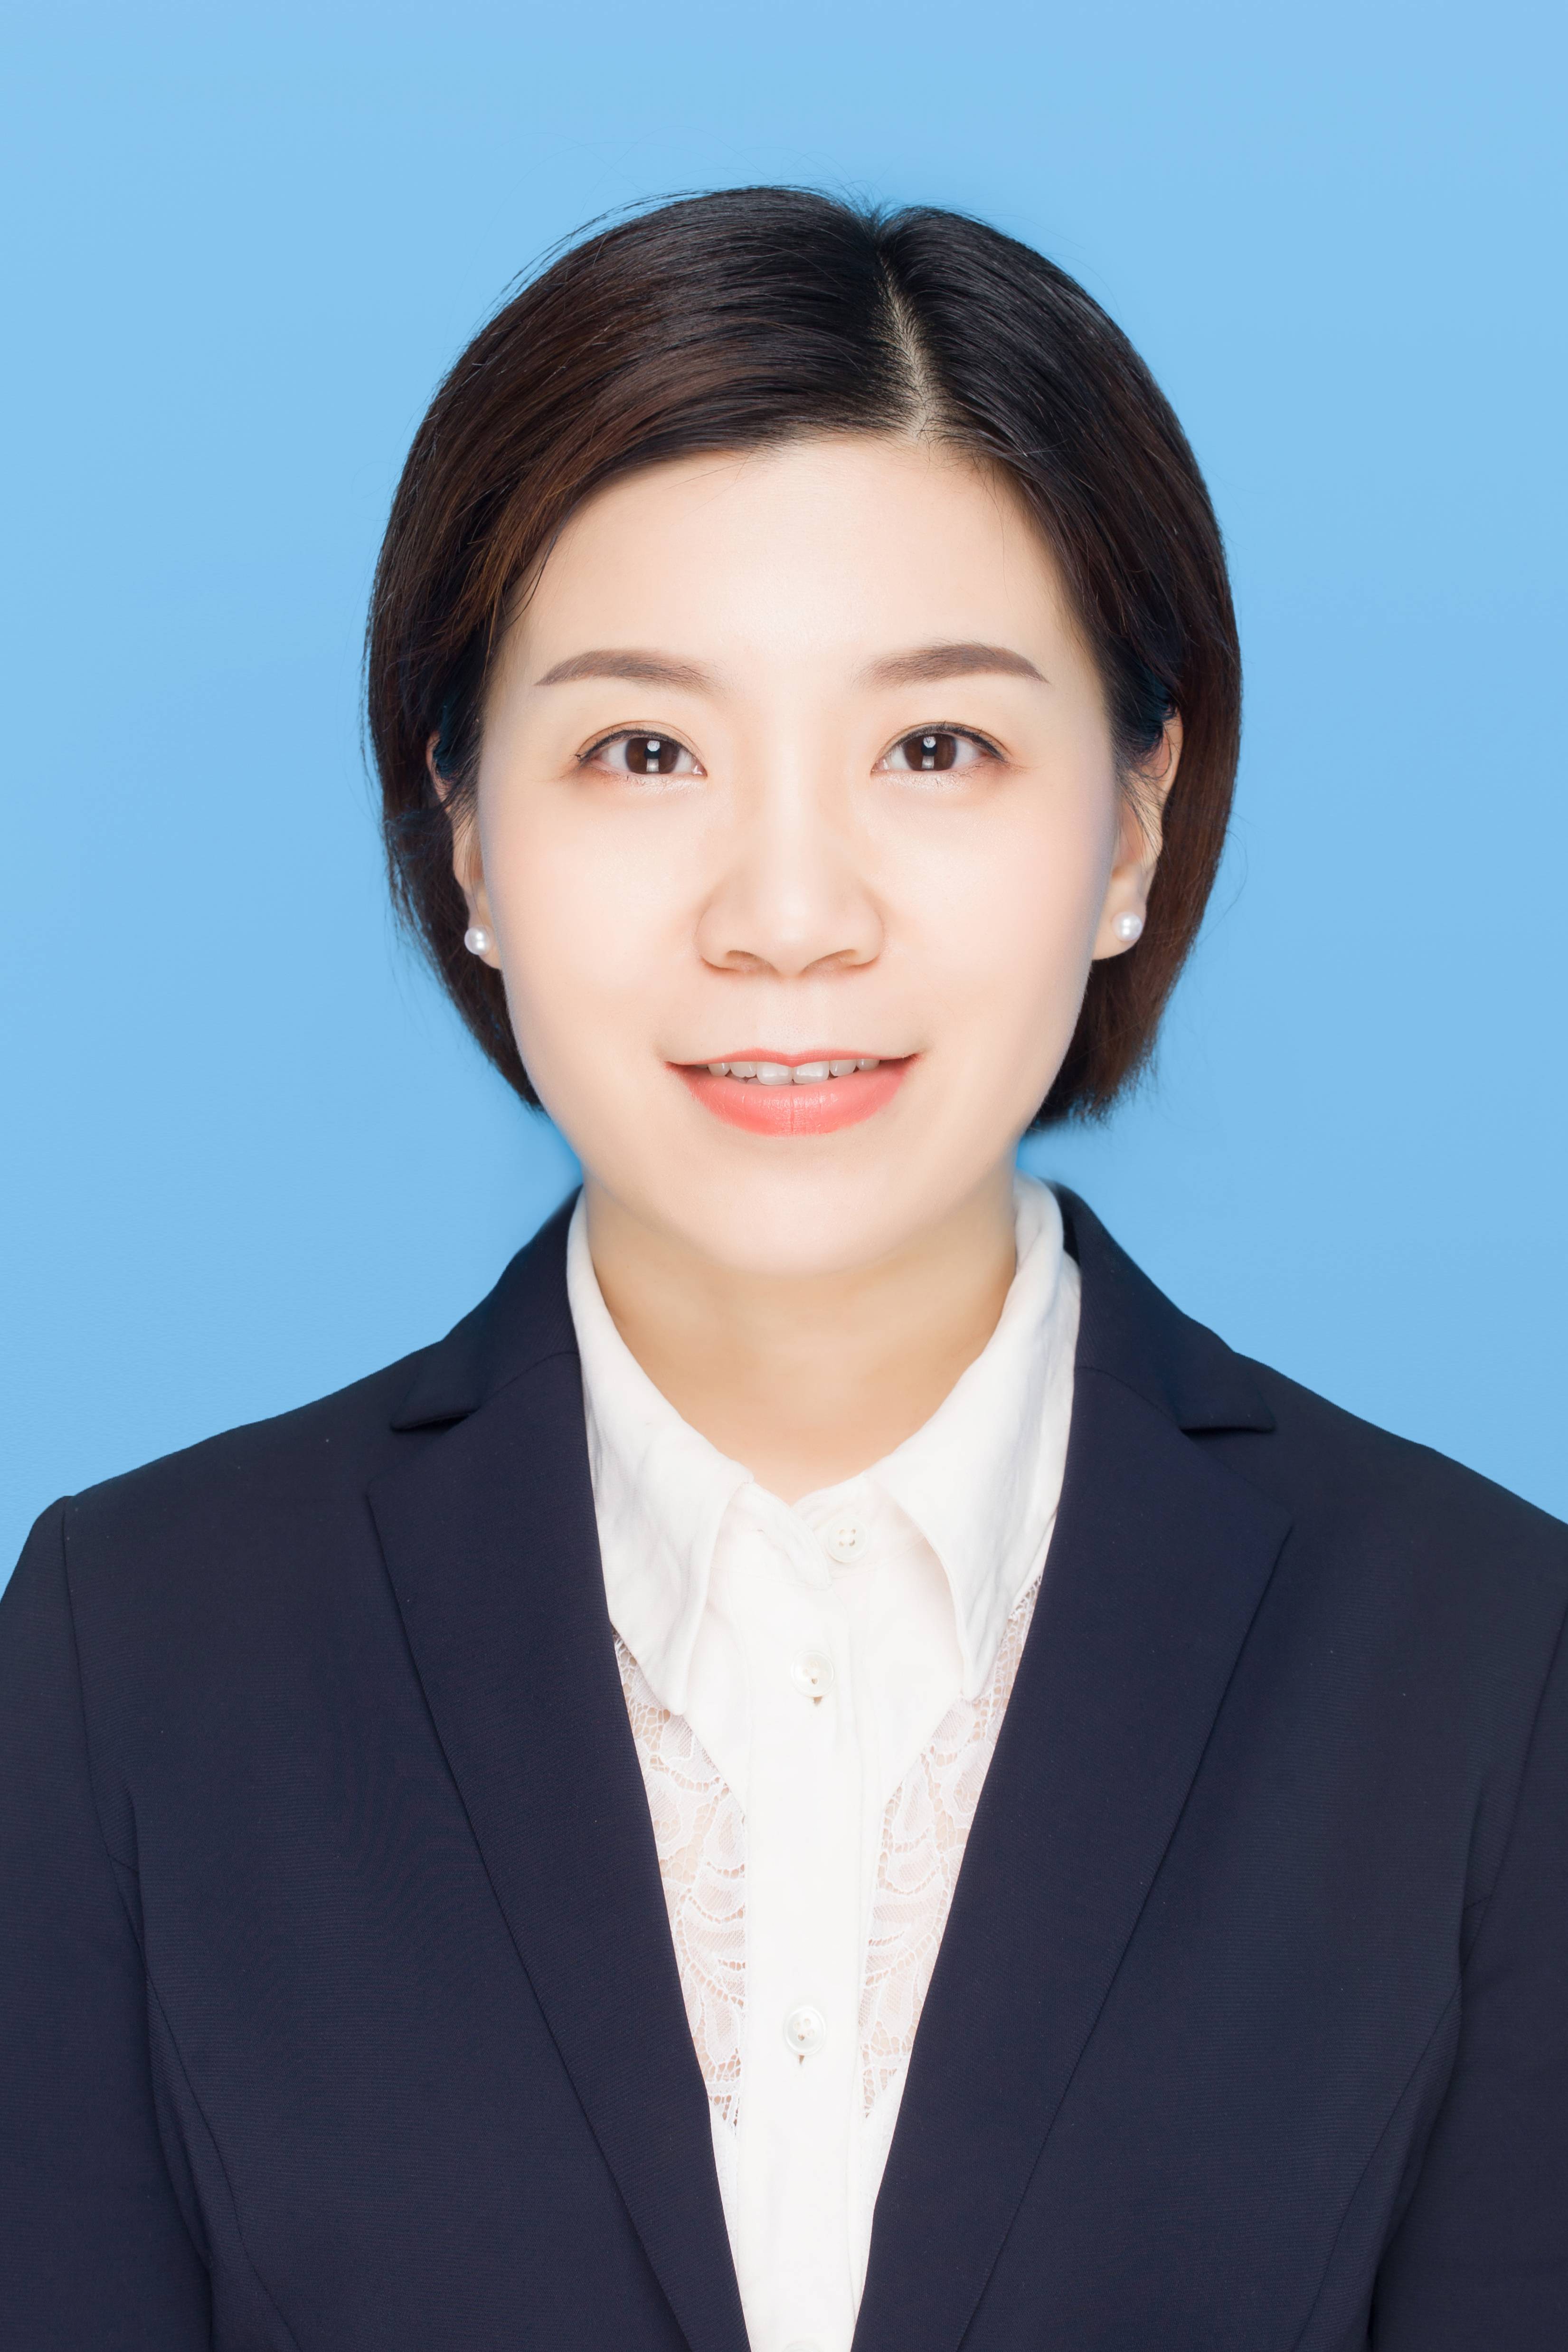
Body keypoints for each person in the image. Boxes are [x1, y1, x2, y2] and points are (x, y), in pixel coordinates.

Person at [1, 188, 1563, 2352]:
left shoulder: (1484, 1661)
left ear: (1130, 823)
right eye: (645, 751)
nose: (790, 915)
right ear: (468, 832)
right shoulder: (134, 1651)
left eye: (936, 747)